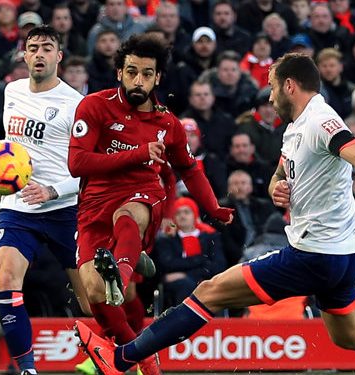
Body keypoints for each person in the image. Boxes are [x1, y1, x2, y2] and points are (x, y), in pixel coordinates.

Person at [74, 53, 355, 375]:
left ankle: (122, 358)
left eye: (272, 88)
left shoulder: (322, 120)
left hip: (314, 255)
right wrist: (278, 188)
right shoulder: (296, 127)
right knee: (351, 337)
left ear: (290, 85)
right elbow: (276, 179)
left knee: (210, 292)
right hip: (343, 257)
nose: (269, 97)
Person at [67, 33, 233, 375]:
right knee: (95, 295)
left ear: (157, 78)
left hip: (141, 192)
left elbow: (189, 167)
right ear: (119, 73)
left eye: (146, 73)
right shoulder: (94, 106)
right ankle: (143, 360)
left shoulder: (167, 123)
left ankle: (122, 270)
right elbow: (78, 163)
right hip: (93, 204)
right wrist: (138, 153)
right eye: (131, 72)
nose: (138, 80)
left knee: (130, 215)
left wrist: (213, 208)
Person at [0, 25, 91, 375]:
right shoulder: (12, 91)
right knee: (6, 280)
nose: (39, 53)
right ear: (24, 55)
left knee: (91, 300)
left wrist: (53, 191)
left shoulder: (77, 105)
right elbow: (17, 154)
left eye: (47, 48)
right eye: (33, 47)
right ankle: (27, 369)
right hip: (18, 208)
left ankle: (125, 356)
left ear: (59, 56)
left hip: (63, 210)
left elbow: (89, 171)